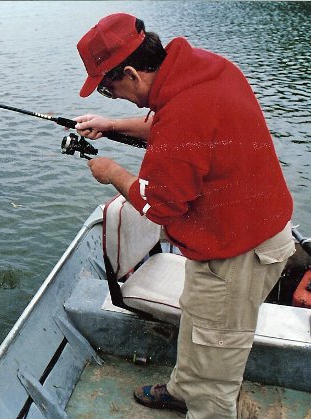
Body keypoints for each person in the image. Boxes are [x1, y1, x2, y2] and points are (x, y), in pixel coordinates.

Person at [73, 13, 295, 418]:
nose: (113, 96)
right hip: (230, 233)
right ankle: (183, 390)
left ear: (130, 73)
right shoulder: (204, 70)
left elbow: (160, 205)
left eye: (108, 89)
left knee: (216, 361)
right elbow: (169, 122)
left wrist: (112, 173)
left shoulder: (184, 113)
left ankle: (203, 404)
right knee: (198, 319)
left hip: (241, 251)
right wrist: (111, 125)